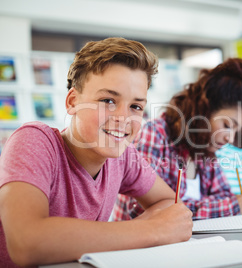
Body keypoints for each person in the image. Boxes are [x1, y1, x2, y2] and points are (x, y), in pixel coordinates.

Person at [0, 37, 193, 267]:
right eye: (108, 100)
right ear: (72, 101)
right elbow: (26, 243)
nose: (123, 118)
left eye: (135, 106)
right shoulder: (35, 141)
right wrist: (152, 229)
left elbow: (169, 203)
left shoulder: (123, 157)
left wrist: (156, 226)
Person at [112, 58, 242, 221]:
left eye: (236, 130)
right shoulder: (155, 133)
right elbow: (140, 208)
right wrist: (229, 207)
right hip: (142, 245)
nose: (230, 137)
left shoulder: (205, 149)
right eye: (227, 125)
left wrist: (216, 205)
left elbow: (224, 195)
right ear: (204, 110)